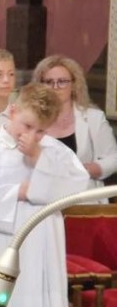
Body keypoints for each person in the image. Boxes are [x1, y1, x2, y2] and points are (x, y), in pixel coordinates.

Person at [0, 83, 89, 307]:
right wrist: (16, 193)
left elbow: (78, 187)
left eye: (41, 131)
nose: (32, 136)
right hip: (2, 249)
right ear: (13, 112)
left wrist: (38, 158)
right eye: (27, 126)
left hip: (44, 258)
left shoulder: (55, 153)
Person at [34, 54, 117, 201]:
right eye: (49, 82)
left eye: (62, 81)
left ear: (73, 85)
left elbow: (114, 158)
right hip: (42, 201)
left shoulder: (93, 118)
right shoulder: (31, 119)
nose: (55, 87)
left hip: (85, 200)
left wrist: (91, 169)